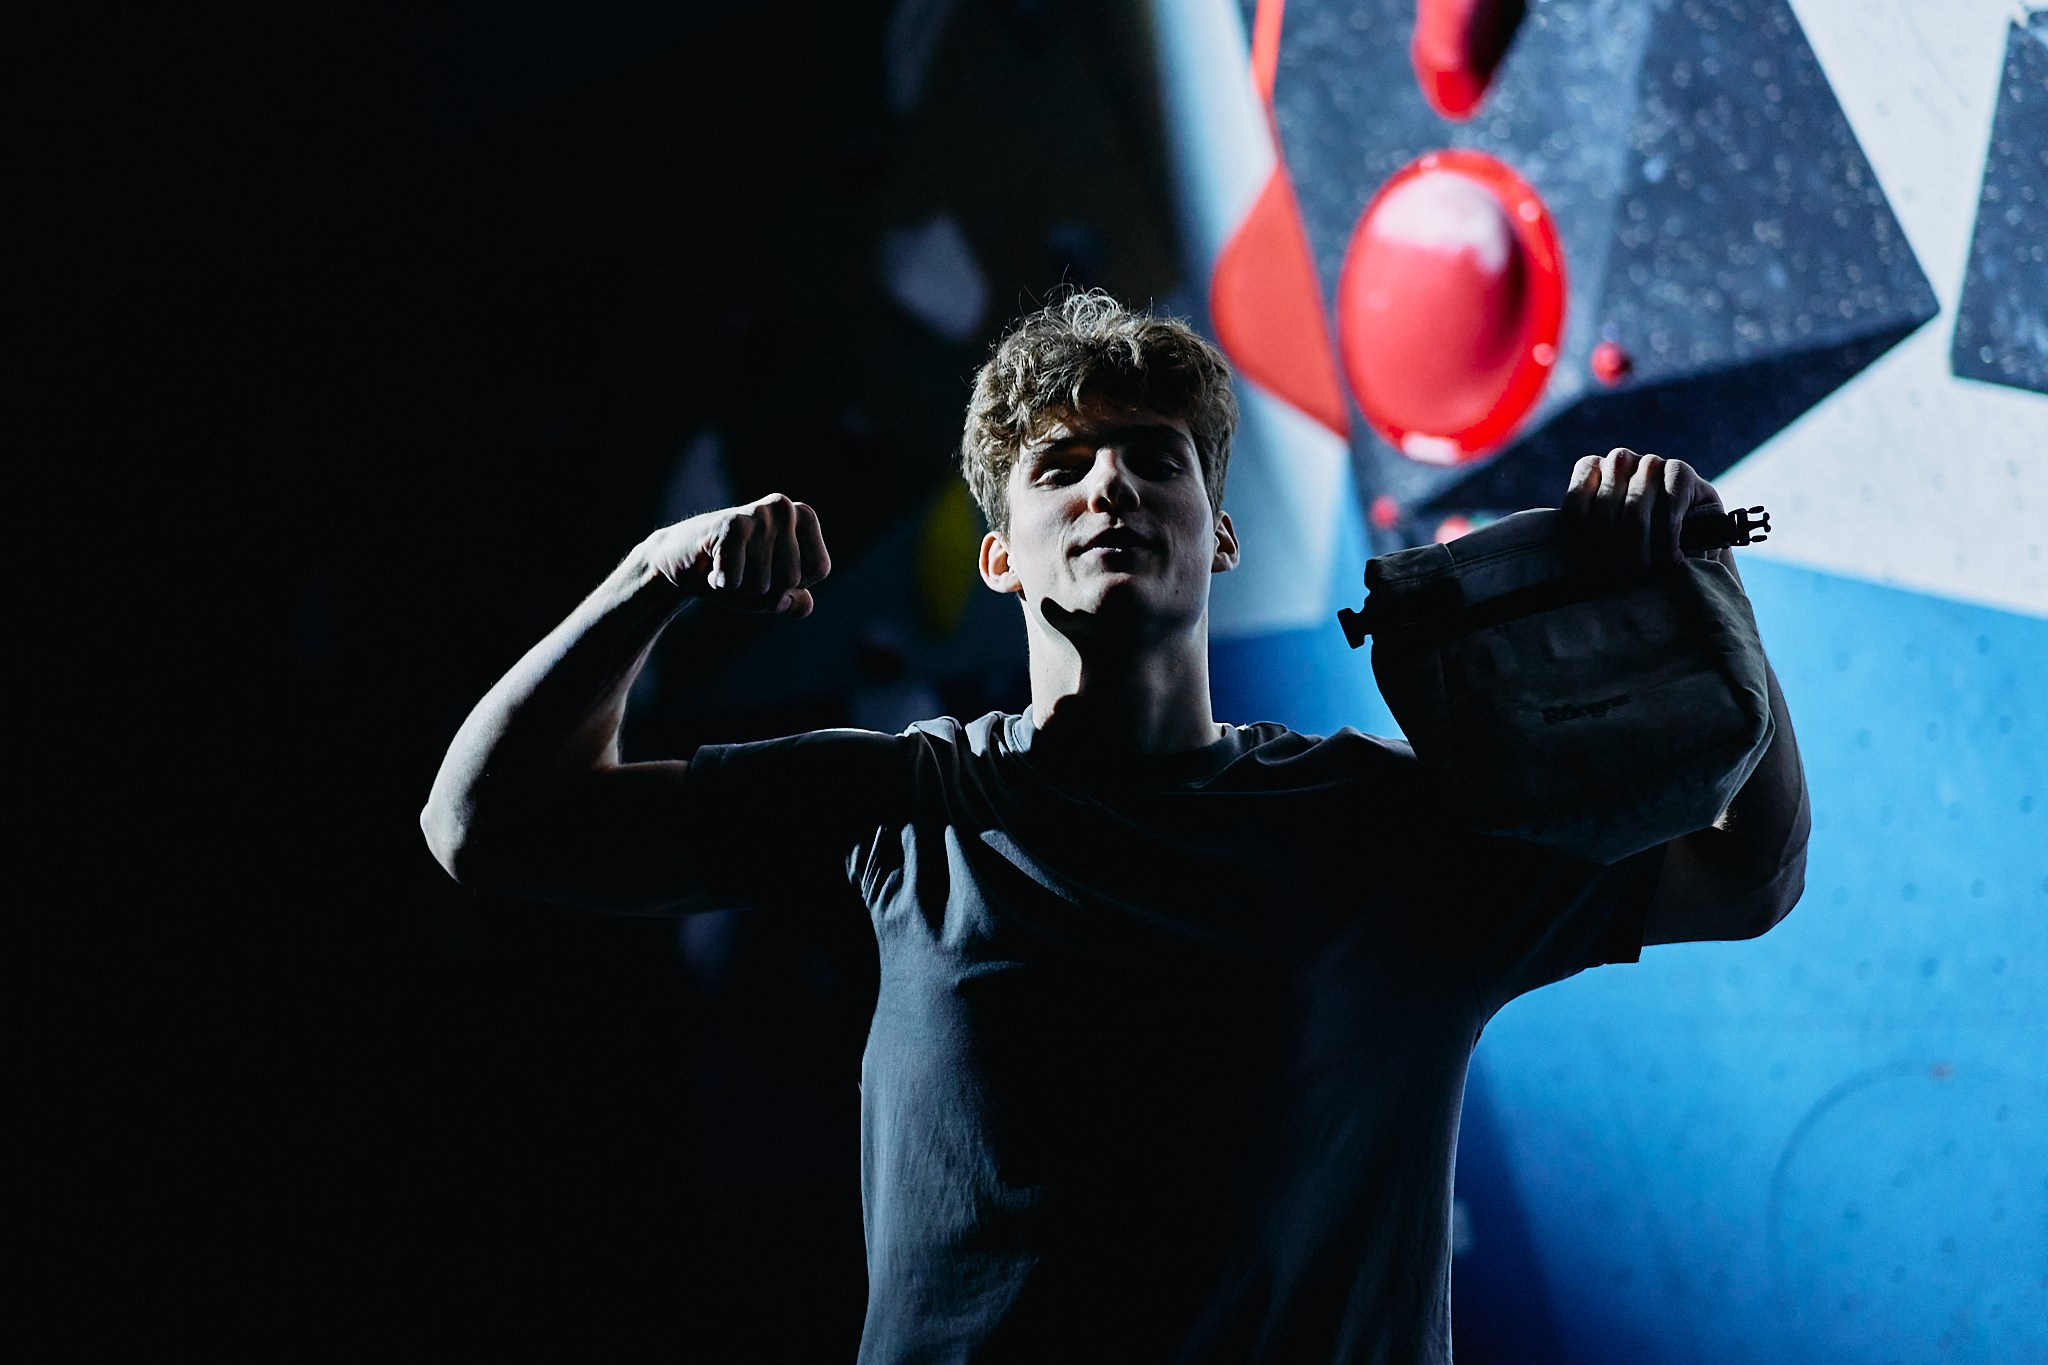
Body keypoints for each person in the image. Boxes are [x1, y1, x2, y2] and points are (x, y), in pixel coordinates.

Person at [422, 291, 1809, 1362]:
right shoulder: (909, 801)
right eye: (1061, 465)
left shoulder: (1385, 827)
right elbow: (485, 825)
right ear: (1000, 555)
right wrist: (651, 574)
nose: (1111, 486)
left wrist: (1705, 588)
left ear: (1220, 536)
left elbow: (1748, 872)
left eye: (1155, 457)